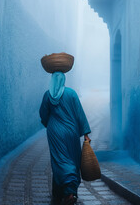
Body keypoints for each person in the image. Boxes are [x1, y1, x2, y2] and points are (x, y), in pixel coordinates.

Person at [39, 71, 91, 205]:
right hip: (71, 131)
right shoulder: (71, 93)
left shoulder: (48, 95)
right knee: (72, 160)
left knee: (58, 161)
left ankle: (63, 193)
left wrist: (50, 124)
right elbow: (80, 113)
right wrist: (85, 133)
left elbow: (43, 114)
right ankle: (69, 191)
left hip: (55, 132)